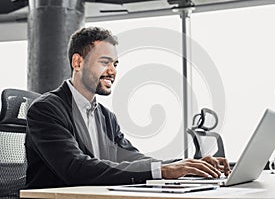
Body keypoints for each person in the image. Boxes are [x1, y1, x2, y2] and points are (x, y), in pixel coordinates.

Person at [25, 27, 230, 189]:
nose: (112, 71)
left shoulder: (106, 117)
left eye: (116, 64)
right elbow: (75, 168)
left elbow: (132, 157)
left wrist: (185, 165)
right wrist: (163, 170)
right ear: (78, 62)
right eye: (105, 62)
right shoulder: (46, 110)